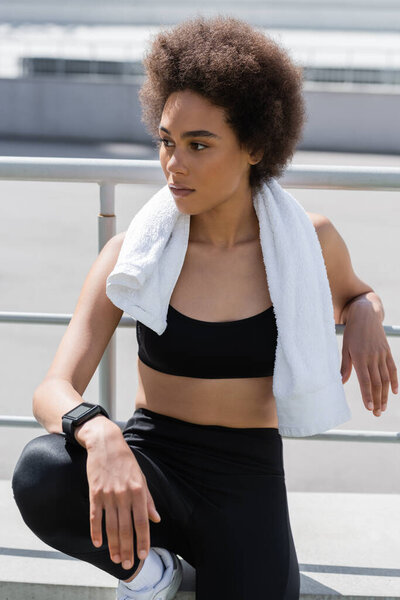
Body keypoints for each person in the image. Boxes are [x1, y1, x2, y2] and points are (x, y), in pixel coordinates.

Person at [11, 14, 396, 600]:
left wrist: (365, 309)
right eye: (166, 141)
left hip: (246, 477)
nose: (174, 164)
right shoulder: (133, 253)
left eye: (198, 145)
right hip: (151, 460)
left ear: (255, 147)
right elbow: (53, 388)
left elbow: (354, 290)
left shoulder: (306, 244)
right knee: (40, 470)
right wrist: (100, 433)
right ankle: (150, 573)